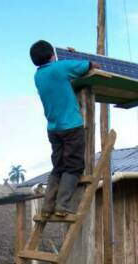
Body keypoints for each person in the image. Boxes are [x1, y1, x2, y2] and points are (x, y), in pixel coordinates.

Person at [30, 40, 100, 217]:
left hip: (53, 128)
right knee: (74, 166)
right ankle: (63, 205)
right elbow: (89, 65)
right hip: (71, 126)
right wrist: (79, 58)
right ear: (52, 55)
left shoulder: (38, 76)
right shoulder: (60, 68)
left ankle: (47, 207)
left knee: (58, 166)